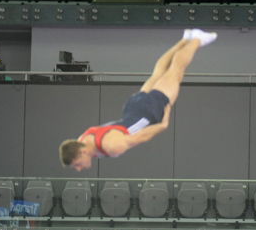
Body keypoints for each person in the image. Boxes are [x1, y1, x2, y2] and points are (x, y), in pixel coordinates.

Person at [59, 30, 217, 170]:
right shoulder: (81, 140)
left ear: (83, 151)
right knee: (157, 74)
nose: (79, 168)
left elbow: (142, 136)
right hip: (132, 108)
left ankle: (196, 39)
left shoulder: (113, 146)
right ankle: (185, 39)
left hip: (149, 111)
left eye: (77, 164)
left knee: (176, 71)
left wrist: (162, 126)